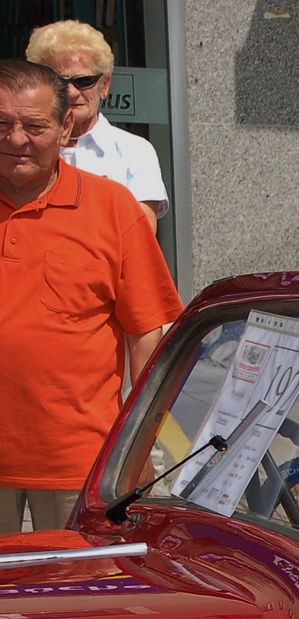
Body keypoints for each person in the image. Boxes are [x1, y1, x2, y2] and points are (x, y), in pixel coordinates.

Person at [0, 59, 181, 535]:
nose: (16, 139)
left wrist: (141, 447)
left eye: (33, 126)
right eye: (2, 124)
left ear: (65, 127)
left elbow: (147, 335)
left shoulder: (113, 209)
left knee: (76, 602)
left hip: (79, 466)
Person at [26, 21, 168, 220]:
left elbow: (140, 234)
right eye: (59, 82)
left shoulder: (134, 151)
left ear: (104, 86)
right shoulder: (22, 147)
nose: (72, 92)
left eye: (84, 81)